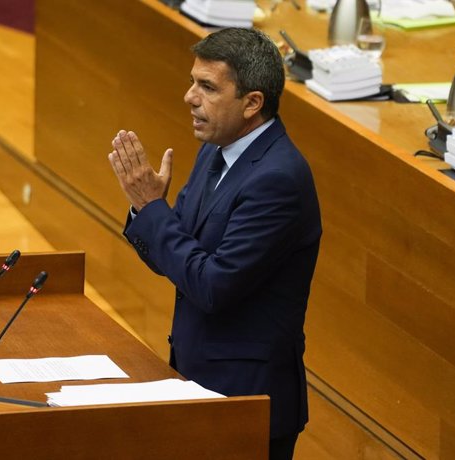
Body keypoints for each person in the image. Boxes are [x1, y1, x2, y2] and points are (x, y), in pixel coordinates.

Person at [107, 27, 321, 459]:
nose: (189, 97)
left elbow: (211, 287)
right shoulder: (216, 150)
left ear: (252, 103)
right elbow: (178, 257)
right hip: (196, 380)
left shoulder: (276, 180)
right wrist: (150, 213)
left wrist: (153, 211)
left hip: (246, 403)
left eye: (207, 86)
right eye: (193, 82)